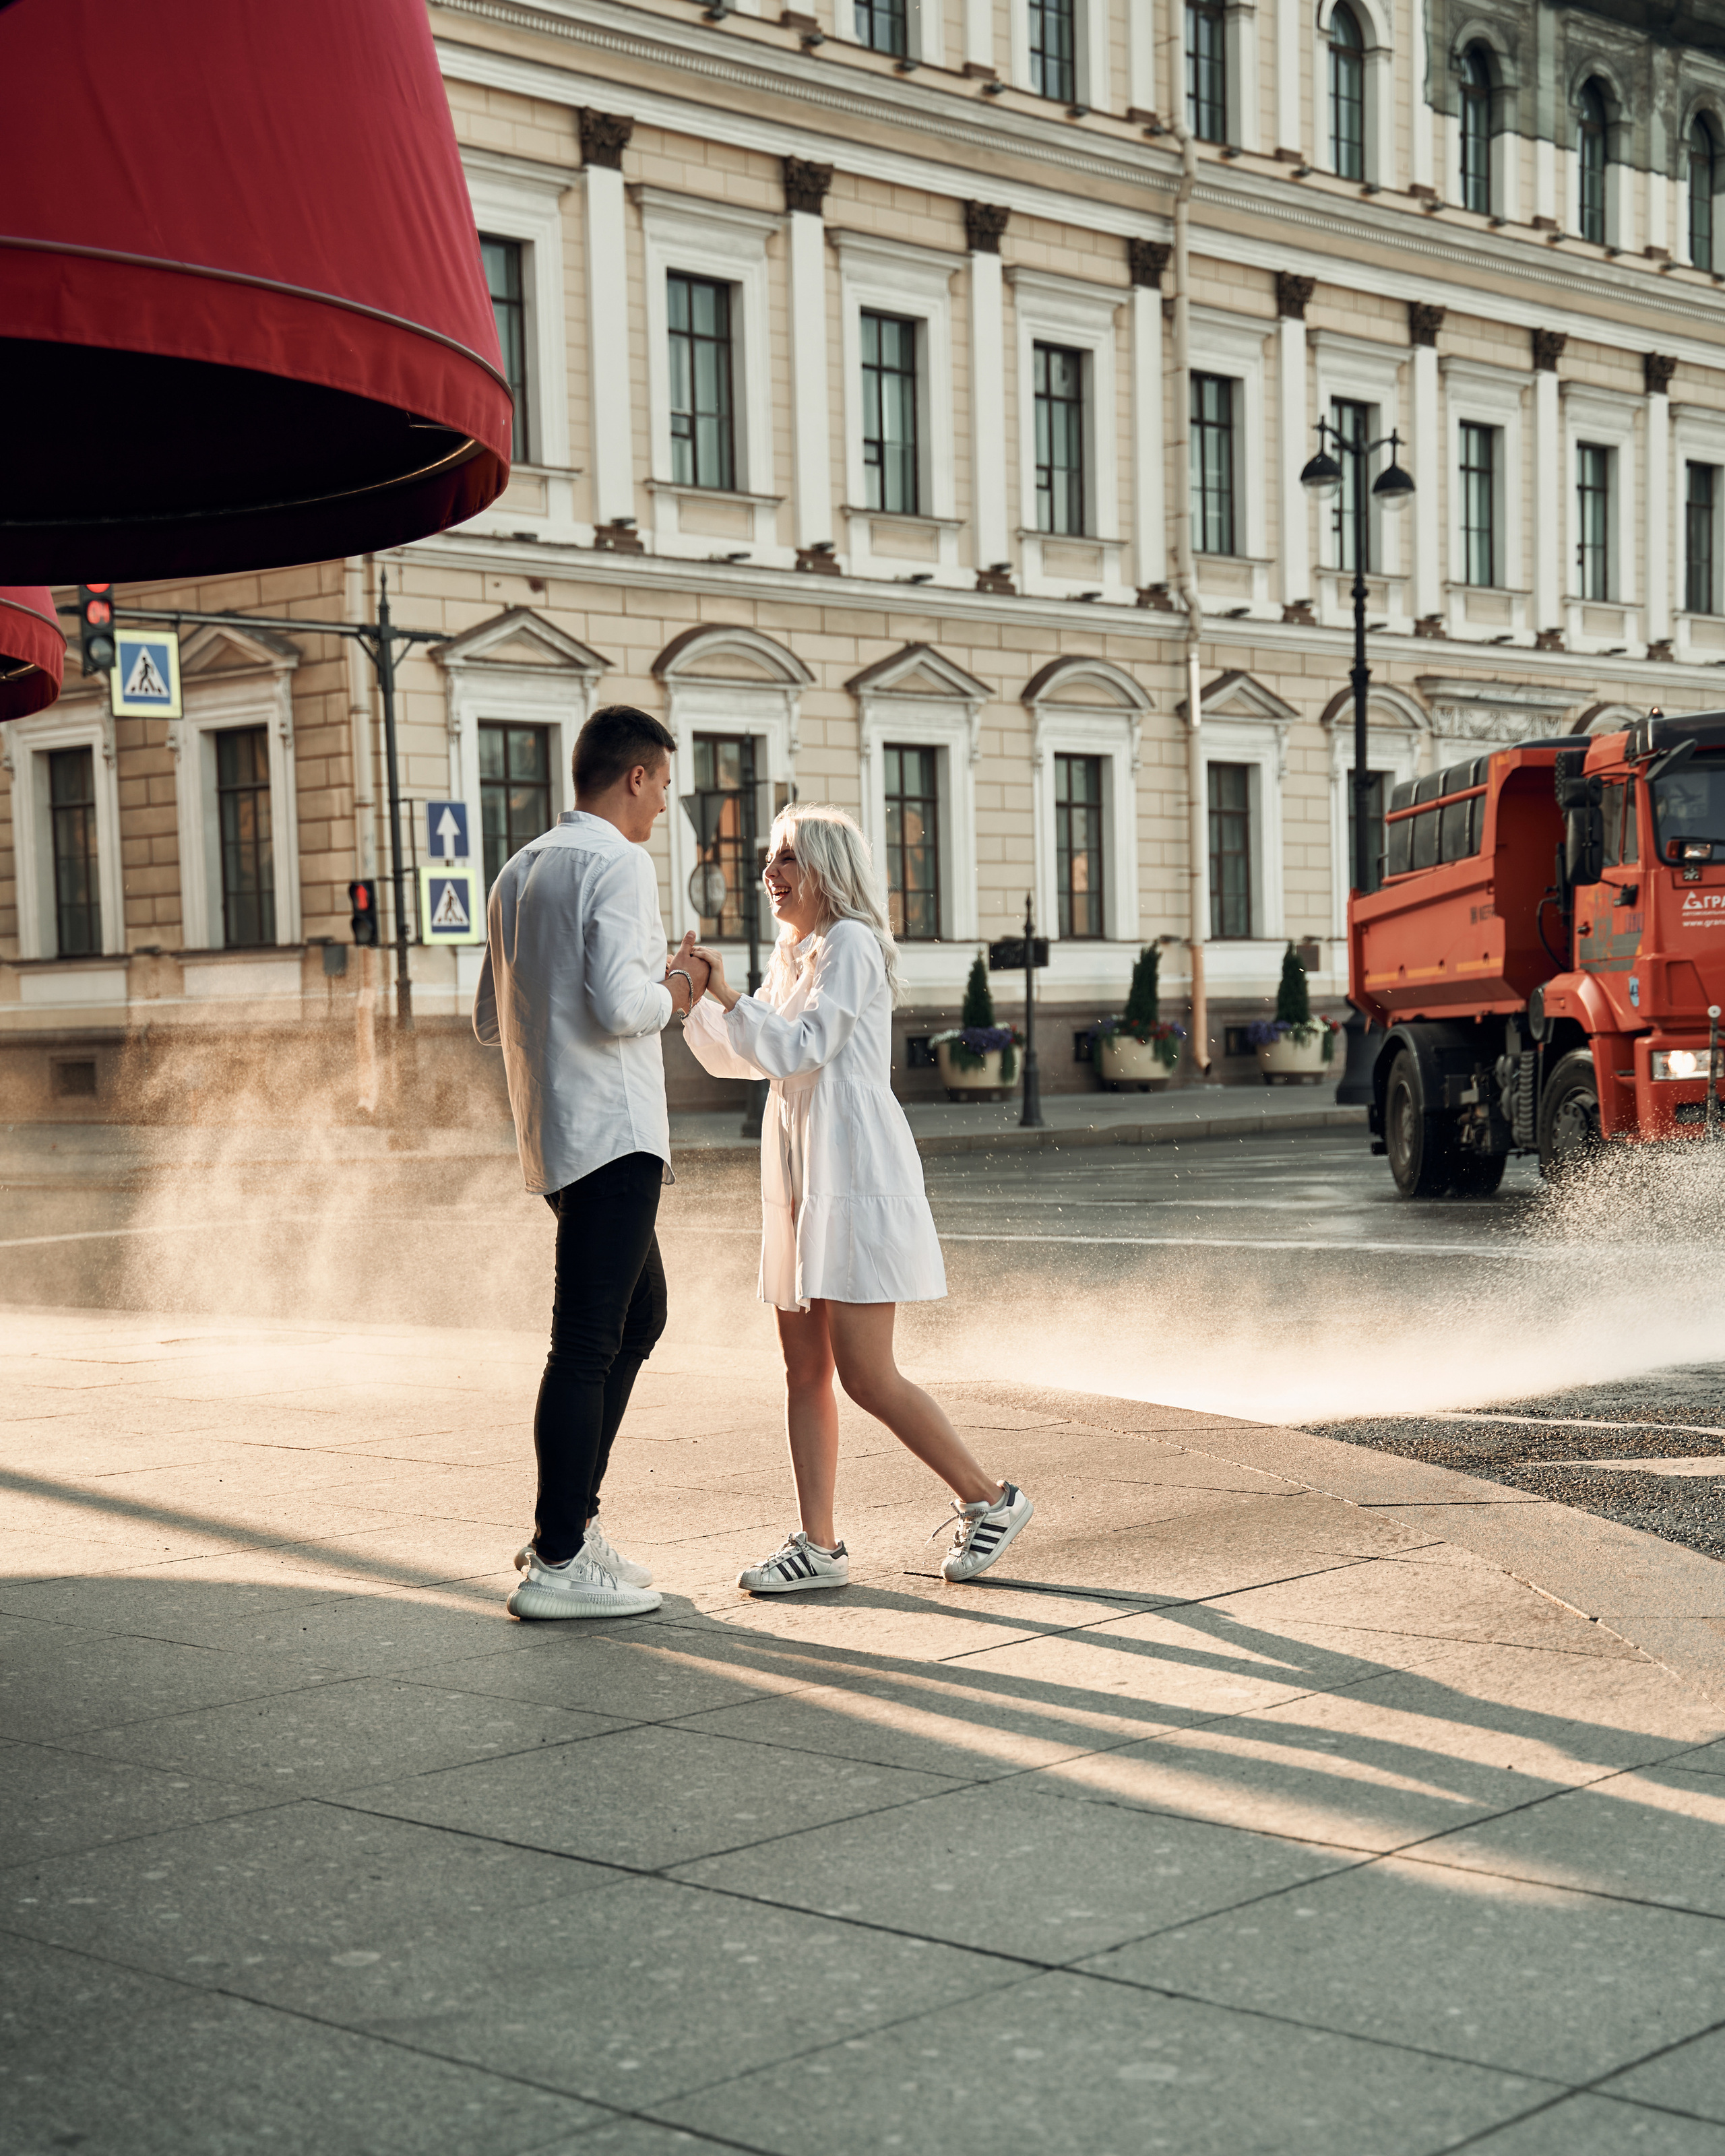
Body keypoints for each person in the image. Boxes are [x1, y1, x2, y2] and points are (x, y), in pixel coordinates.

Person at [683, 803, 1032, 1591]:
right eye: (770, 860)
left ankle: (992, 1498)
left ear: (826, 872)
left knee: (866, 1373)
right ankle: (819, 1546)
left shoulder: (853, 944)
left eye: (784, 859)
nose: (767, 873)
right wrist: (705, 997)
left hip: (853, 1163)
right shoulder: (796, 950)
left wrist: (731, 999)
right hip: (802, 1163)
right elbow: (745, 1058)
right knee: (801, 1369)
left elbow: (802, 1047)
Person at [473, 703, 710, 1621]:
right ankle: (559, 1558)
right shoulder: (618, 861)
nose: (660, 810)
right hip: (616, 1133)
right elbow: (623, 1007)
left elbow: (490, 1020)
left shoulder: (518, 868)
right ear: (637, 777)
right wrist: (679, 985)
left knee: (639, 1314)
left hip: (557, 1133)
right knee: (584, 1344)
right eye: (661, 788)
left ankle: (576, 1522)